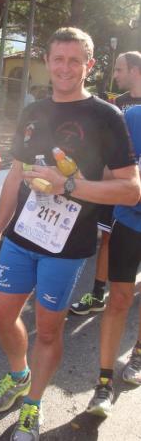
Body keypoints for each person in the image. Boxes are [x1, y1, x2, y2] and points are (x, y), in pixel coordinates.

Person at [0, 27, 140, 441]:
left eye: (75, 60)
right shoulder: (34, 110)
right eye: (58, 59)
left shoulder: (108, 116)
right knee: (0, 315)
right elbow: (16, 174)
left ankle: (32, 404)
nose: (65, 68)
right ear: (48, 62)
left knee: (48, 330)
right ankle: (19, 375)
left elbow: (130, 187)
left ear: (89, 65)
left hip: (66, 246)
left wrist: (68, 185)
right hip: (20, 236)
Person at [71, 51, 141, 315]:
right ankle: (98, 294)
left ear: (135, 70)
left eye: (120, 70)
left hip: (134, 191)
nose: (115, 75)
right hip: (113, 187)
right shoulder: (118, 103)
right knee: (108, 239)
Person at [87, 102, 141, 417]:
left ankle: (137, 355)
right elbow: (105, 168)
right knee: (118, 300)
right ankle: (103, 383)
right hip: (130, 223)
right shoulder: (133, 117)